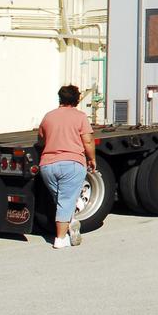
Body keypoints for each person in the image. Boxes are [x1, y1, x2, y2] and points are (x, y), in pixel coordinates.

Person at [37, 84, 96, 250]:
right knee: (65, 200)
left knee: (60, 199)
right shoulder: (80, 117)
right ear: (77, 100)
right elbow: (88, 141)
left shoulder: (48, 116)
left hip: (48, 165)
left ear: (60, 98)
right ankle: (61, 238)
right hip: (72, 163)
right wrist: (91, 158)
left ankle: (70, 220)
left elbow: (41, 138)